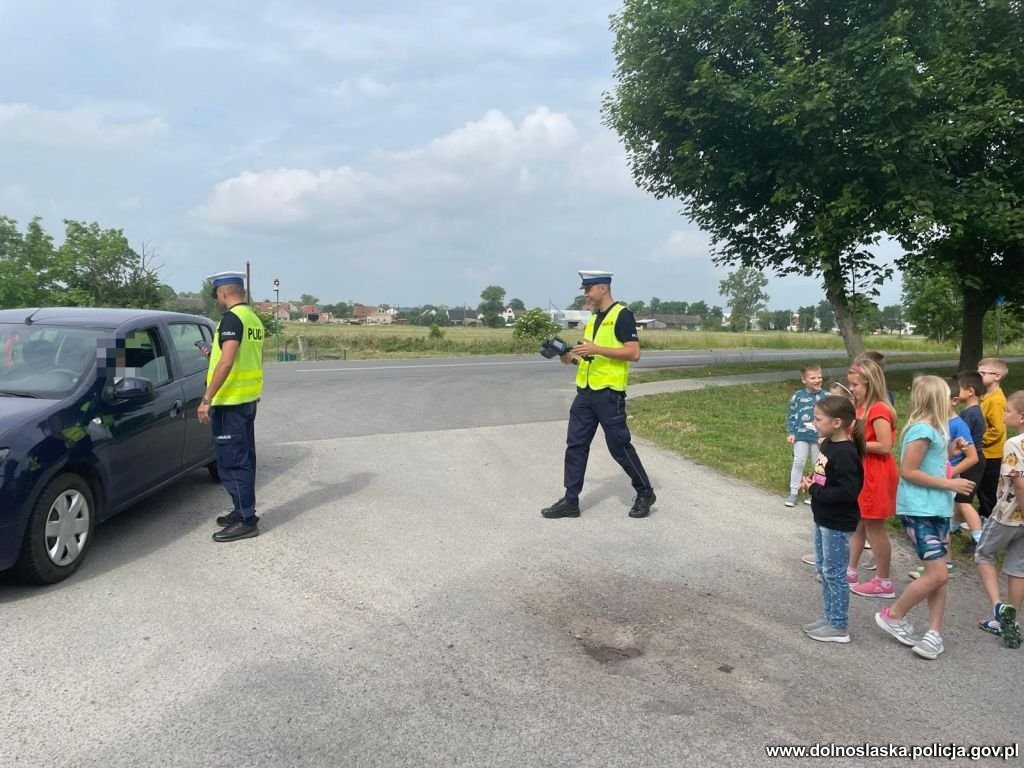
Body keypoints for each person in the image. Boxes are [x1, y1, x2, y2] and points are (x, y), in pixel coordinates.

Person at [542, 270, 655, 519]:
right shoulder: (593, 320)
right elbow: (587, 358)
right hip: (585, 394)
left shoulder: (622, 315)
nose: (586, 295)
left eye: (588, 289)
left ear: (603, 288)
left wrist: (597, 348)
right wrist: (568, 357)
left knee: (619, 446)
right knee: (576, 445)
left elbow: (633, 353)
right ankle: (571, 501)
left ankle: (645, 492)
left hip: (609, 395)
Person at [875, 375, 975, 659]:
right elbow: (908, 471)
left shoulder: (937, 431)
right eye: (947, 396)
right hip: (919, 511)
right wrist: (951, 483)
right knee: (938, 573)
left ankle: (934, 633)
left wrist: (950, 454)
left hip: (937, 509)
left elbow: (932, 466)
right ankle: (893, 614)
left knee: (939, 576)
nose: (952, 401)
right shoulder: (921, 430)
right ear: (937, 400)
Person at [197, 271, 266, 542]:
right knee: (244, 458)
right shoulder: (253, 319)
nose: (218, 298)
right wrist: (210, 352)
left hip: (230, 403)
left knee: (232, 463)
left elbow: (226, 362)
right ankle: (241, 511)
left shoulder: (231, 319)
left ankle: (247, 520)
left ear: (223, 293)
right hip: (247, 400)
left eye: (217, 294)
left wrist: (206, 399)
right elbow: (239, 357)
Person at [800, 396, 864, 643]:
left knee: (835, 573)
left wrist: (815, 490)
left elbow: (848, 492)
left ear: (837, 422)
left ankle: (839, 625)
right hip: (823, 516)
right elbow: (824, 475)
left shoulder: (846, 453)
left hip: (837, 522)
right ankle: (829, 617)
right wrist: (812, 480)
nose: (814, 423)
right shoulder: (827, 445)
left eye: (818, 419)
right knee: (824, 570)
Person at [908, 378, 978, 580]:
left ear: (953, 400)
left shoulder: (958, 424)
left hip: (946, 477)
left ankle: (943, 564)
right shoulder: (933, 423)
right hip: (937, 475)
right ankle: (937, 564)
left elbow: (973, 456)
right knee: (937, 519)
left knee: (941, 518)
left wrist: (950, 473)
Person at [974, 389, 1024, 649]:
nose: (1005, 415)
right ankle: (1011, 619)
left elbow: (1019, 482)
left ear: (1022, 417)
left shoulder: (1015, 443)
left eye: (1008, 411)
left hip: (1008, 514)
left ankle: (998, 608)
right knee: (1018, 568)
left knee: (984, 555)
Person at [846, 358, 899, 598]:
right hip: (863, 470)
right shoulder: (861, 407)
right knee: (860, 523)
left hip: (875, 473)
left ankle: (883, 580)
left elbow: (885, 445)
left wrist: (854, 443)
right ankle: (850, 569)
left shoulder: (878, 409)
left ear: (869, 383)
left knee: (874, 527)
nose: (853, 389)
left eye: (856, 385)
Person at [785, 364, 827, 507]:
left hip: (819, 438)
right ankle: (794, 492)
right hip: (801, 436)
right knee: (799, 461)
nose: (817, 380)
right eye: (813, 377)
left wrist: (827, 435)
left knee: (819, 465)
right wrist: (791, 432)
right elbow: (791, 415)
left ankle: (816, 493)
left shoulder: (826, 396)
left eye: (819, 377)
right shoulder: (798, 396)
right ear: (804, 380)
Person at [954, 370, 987, 547]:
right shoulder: (976, 411)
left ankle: (980, 538)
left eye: (958, 389)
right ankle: (951, 527)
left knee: (964, 501)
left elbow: (961, 439)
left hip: (970, 460)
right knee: (959, 499)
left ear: (970, 391)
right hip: (977, 459)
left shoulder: (968, 414)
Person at [977, 358, 1009, 519]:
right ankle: (982, 516)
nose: (978, 375)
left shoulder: (996, 400)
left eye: (982, 373)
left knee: (987, 490)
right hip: (984, 453)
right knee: (980, 487)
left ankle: (988, 520)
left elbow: (997, 430)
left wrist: (977, 441)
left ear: (997, 376)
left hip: (992, 455)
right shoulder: (986, 396)